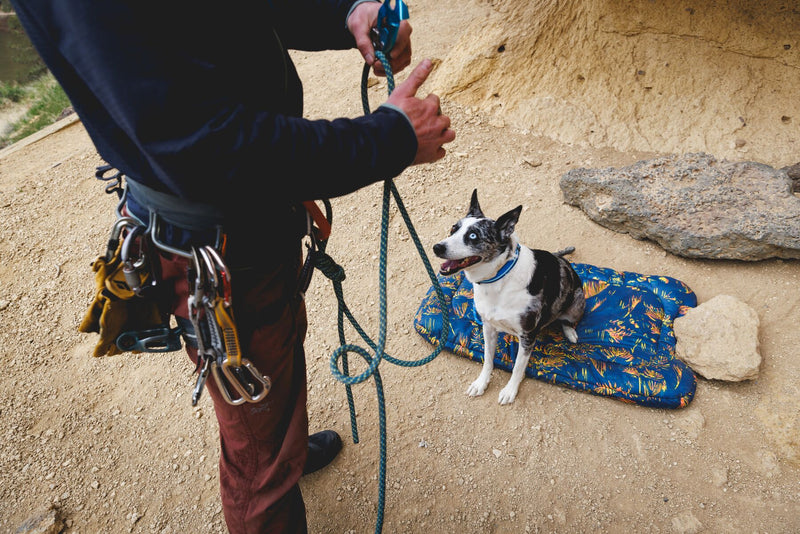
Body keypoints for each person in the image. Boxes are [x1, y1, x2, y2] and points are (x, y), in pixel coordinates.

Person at [10, 1, 455, 533]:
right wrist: (390, 138)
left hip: (249, 216)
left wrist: (345, 14)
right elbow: (203, 147)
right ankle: (269, 467)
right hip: (220, 234)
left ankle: (278, 442)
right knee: (256, 438)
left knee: (272, 362)